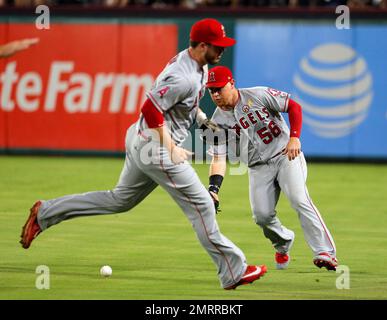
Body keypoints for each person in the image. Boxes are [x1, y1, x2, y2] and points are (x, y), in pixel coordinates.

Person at [20, 19, 267, 290]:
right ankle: (233, 270)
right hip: (156, 148)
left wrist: (201, 119)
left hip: (139, 140)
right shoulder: (183, 75)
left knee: (119, 200)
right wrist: (170, 147)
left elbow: (181, 104)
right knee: (202, 206)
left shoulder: (197, 64)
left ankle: (45, 213)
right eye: (217, 46)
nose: (222, 50)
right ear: (203, 45)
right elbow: (150, 108)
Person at [206, 66, 338, 271]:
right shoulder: (215, 123)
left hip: (286, 155)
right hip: (258, 168)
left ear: (231, 83)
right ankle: (283, 243)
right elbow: (218, 158)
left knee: (299, 199)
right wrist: (213, 189)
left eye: (218, 88)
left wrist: (294, 136)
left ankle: (325, 252)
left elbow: (294, 107)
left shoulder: (257, 95)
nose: (215, 94)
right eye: (211, 90)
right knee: (262, 216)